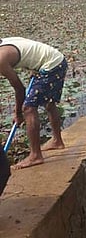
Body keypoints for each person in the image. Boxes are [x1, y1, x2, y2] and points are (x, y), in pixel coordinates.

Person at [0, 37, 68, 169]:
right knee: (49, 104)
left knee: (28, 108)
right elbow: (31, 48)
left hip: (51, 66)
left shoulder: (1, 59)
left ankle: (35, 156)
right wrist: (35, 66)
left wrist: (18, 113)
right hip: (57, 60)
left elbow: (20, 89)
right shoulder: (5, 42)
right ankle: (57, 141)